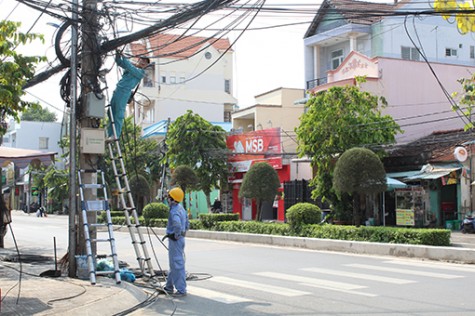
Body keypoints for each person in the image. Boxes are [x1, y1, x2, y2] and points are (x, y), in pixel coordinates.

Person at [107, 52, 150, 138]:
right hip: (117, 90)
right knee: (111, 112)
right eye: (142, 60)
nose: (143, 62)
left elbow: (129, 66)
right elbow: (119, 62)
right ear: (138, 59)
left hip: (124, 92)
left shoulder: (140, 72)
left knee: (119, 113)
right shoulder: (132, 67)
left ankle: (116, 135)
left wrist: (124, 57)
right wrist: (118, 54)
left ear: (146, 65)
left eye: (145, 62)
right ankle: (110, 133)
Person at [163, 187, 189, 297]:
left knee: (177, 264)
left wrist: (176, 235)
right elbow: (187, 223)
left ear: (173, 199)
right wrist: (182, 234)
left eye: (168, 198)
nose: (167, 200)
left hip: (176, 240)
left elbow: (177, 224)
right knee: (175, 264)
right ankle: (169, 287)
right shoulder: (181, 209)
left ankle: (181, 290)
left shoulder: (174, 211)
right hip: (181, 240)